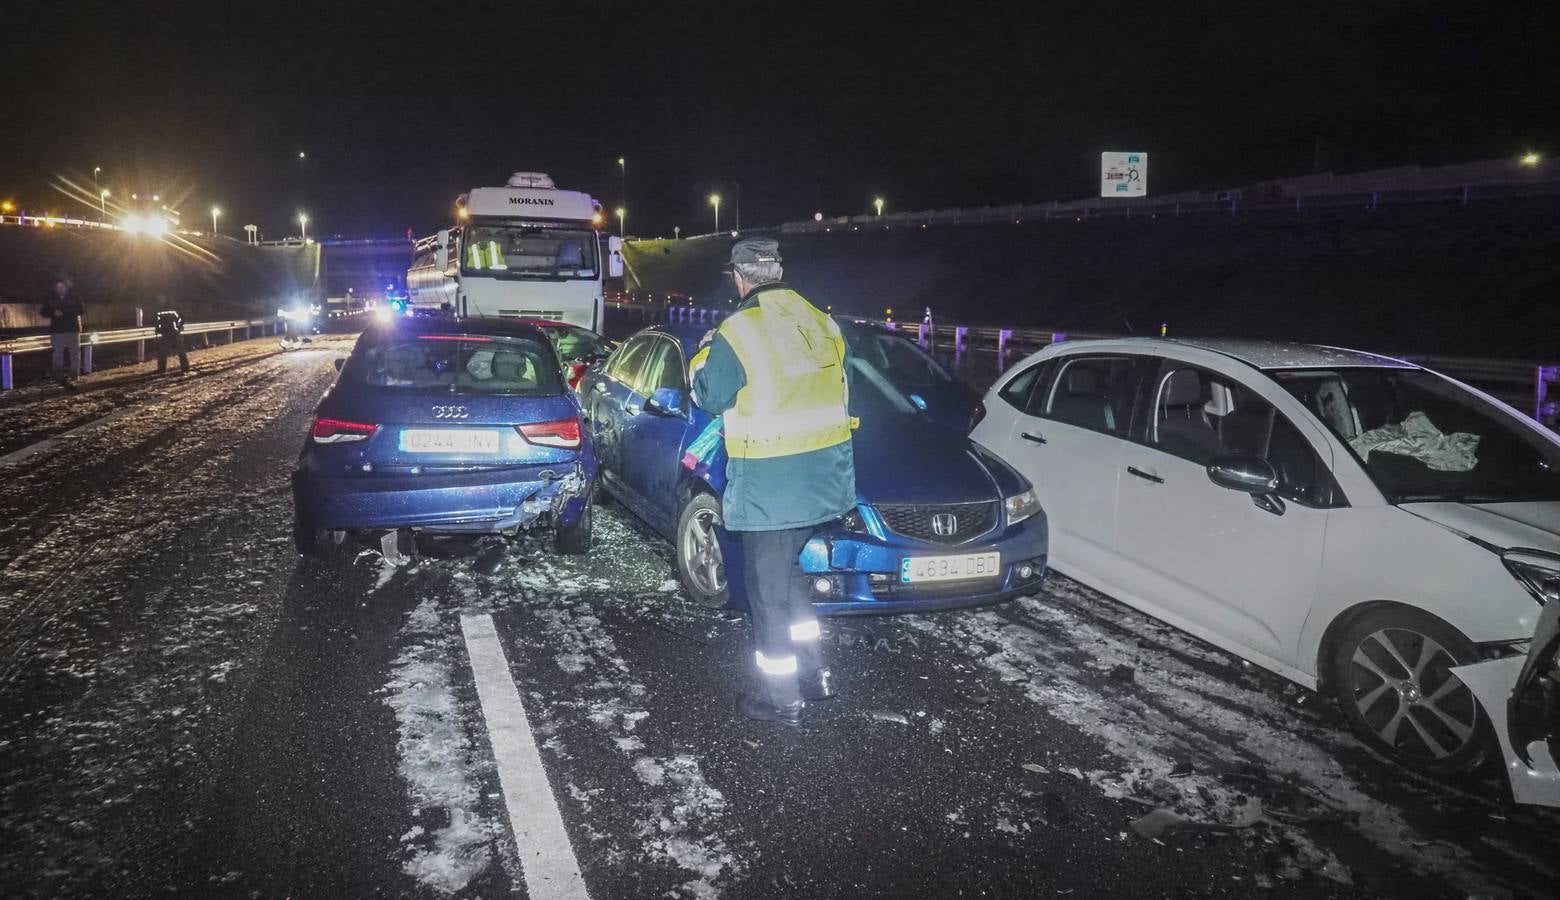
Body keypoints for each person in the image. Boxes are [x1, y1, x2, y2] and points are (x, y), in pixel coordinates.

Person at [689, 238, 856, 727]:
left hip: (770, 481)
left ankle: (782, 700)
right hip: (823, 478)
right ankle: (816, 674)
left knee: (765, 590)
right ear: (777, 272)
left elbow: (710, 396)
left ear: (739, 279)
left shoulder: (737, 330)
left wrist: (701, 357)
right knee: (789, 577)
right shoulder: (820, 320)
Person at [40, 273, 85, 387]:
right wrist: (52, 312)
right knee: (57, 354)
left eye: (62, 287)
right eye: (58, 287)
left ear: (66, 287)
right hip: (57, 330)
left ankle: (74, 375)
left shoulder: (74, 297)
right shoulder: (51, 299)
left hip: (72, 329)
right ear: (55, 288)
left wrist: (65, 312)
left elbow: (81, 310)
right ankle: (57, 376)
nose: (60, 289)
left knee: (74, 353)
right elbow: (43, 312)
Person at [152, 300, 190, 374]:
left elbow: (157, 323)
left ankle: (162, 369)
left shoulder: (159, 312)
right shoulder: (174, 311)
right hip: (174, 333)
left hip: (165, 333)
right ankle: (185, 367)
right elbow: (182, 318)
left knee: (162, 351)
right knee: (181, 350)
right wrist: (178, 327)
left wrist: (157, 331)